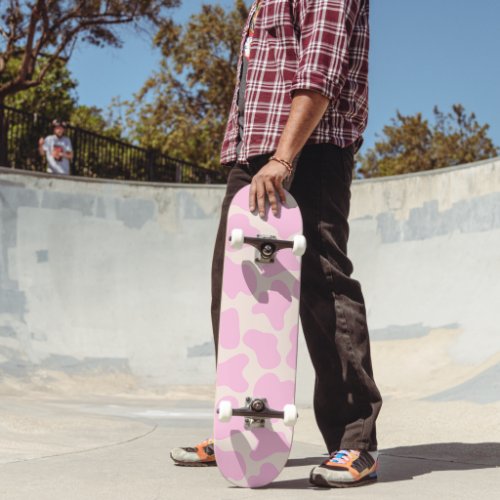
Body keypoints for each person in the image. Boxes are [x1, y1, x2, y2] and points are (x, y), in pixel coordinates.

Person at [171, 0, 382, 488]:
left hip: (307, 150)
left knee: (323, 284)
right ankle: (241, 429)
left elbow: (320, 69)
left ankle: (355, 440)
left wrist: (284, 159)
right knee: (234, 291)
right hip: (254, 155)